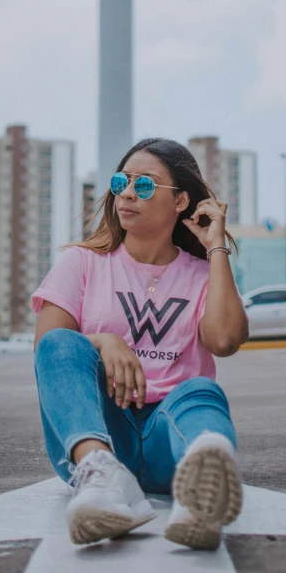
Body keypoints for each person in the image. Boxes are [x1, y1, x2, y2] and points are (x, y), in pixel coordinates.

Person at [32, 138, 249, 550]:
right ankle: (102, 478)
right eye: (121, 182)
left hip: (172, 433)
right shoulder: (82, 262)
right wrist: (103, 341)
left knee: (200, 390)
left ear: (181, 200)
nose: (127, 193)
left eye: (145, 185)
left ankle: (202, 491)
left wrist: (216, 247)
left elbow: (223, 340)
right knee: (62, 343)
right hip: (102, 434)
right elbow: (50, 351)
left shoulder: (203, 275)